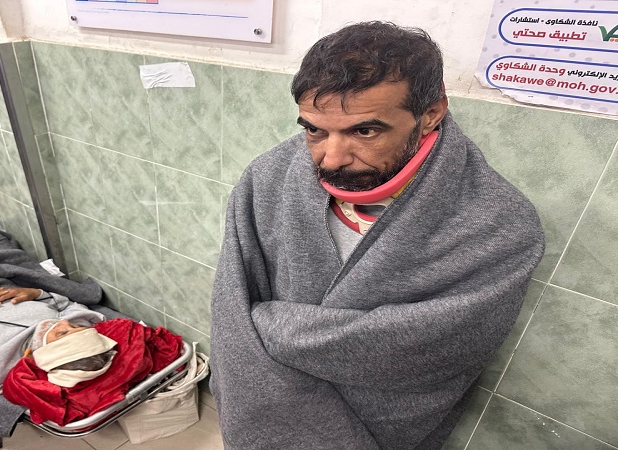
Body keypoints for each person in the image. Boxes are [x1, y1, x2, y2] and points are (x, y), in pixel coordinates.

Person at [209, 21, 545, 449]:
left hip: (380, 428)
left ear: (431, 114)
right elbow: (230, 299)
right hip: (266, 407)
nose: (331, 158)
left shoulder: (500, 224)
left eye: (364, 131)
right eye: (314, 130)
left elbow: (433, 347)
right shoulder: (268, 176)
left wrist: (267, 324)